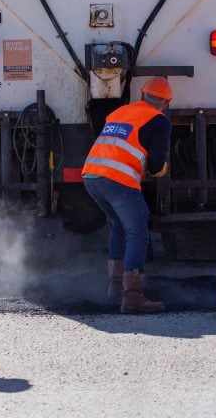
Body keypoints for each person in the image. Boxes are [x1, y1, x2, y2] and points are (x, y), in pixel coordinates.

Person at [82, 77, 173, 314]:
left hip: (91, 176)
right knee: (138, 231)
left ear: (142, 95)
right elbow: (155, 166)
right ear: (165, 103)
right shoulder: (159, 120)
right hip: (117, 179)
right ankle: (133, 296)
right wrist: (161, 169)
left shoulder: (120, 112)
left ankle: (114, 288)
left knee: (119, 227)